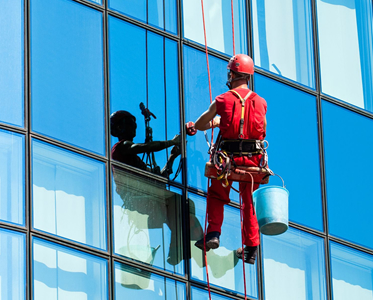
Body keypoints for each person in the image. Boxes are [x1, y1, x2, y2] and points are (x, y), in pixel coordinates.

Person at [186, 53, 267, 264]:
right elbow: (261, 129)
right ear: (248, 76)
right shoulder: (260, 102)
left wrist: (198, 125)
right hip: (252, 161)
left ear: (232, 74)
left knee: (217, 194)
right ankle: (251, 249)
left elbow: (203, 123)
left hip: (227, 159)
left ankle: (213, 234)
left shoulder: (222, 99)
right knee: (250, 203)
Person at [110, 110, 181, 177]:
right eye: (130, 124)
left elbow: (160, 177)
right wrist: (172, 142)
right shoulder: (121, 147)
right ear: (119, 128)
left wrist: (172, 157)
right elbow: (146, 147)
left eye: (135, 125)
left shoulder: (133, 160)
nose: (134, 127)